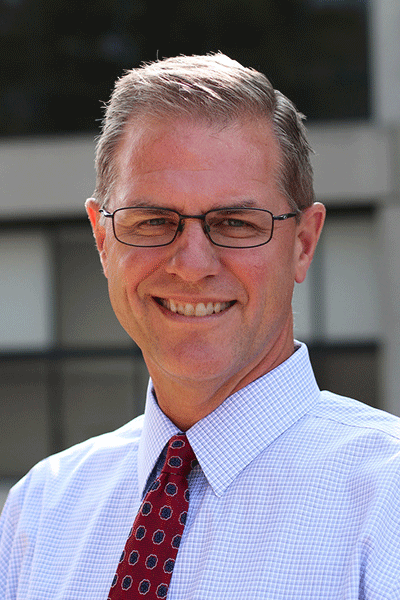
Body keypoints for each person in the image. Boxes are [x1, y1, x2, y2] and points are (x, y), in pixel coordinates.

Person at [1, 53, 399, 600]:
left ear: (303, 243)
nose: (191, 265)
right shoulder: (40, 513)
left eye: (235, 223)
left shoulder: (388, 502)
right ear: (102, 239)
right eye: (153, 221)